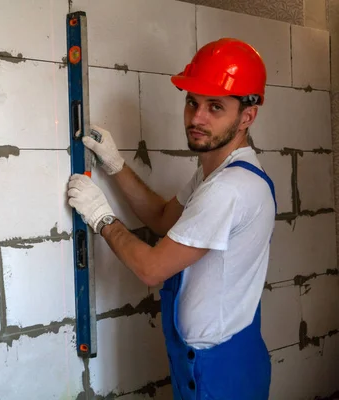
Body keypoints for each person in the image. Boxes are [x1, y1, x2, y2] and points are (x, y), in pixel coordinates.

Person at [67, 38, 276, 400]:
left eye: (215, 107)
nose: (197, 118)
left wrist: (101, 218)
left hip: (220, 370)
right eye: (192, 102)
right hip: (212, 360)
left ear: (247, 116)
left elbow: (151, 268)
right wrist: (115, 165)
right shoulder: (216, 173)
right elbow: (163, 218)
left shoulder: (230, 187)